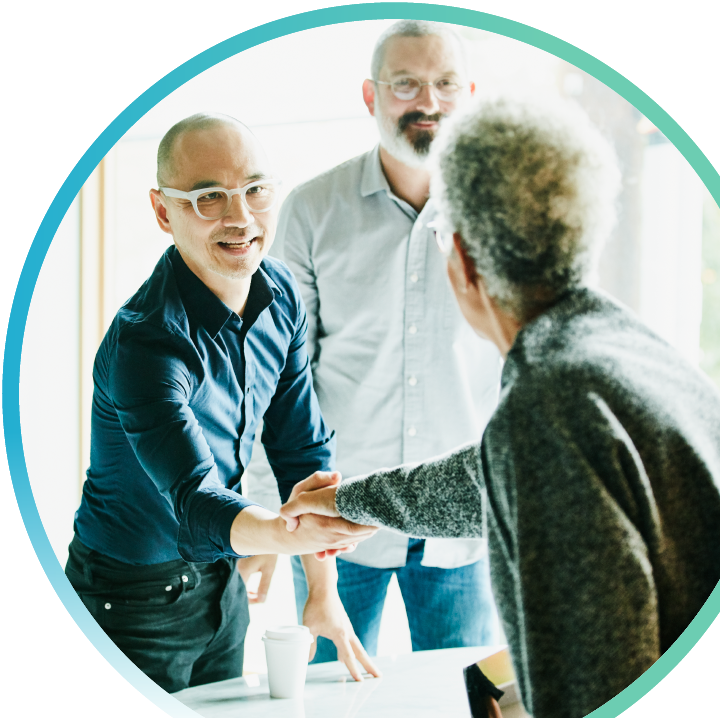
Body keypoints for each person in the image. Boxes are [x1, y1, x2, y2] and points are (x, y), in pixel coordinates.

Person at [279, 98, 720, 717]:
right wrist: (347, 501)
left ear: (465, 262)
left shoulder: (549, 409)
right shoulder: (618, 349)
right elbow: (485, 480)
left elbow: (595, 687)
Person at [64, 113, 379, 694]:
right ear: (164, 211)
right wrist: (288, 536)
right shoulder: (147, 343)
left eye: (255, 190)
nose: (240, 218)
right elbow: (195, 501)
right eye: (209, 198)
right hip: (126, 600)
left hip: (222, 581)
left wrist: (323, 589)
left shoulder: (280, 293)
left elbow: (301, 450)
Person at [244, 20, 502, 661]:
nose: (428, 101)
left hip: (464, 524)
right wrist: (258, 516)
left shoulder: (502, 212)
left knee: (466, 696)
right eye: (406, 84)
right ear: (371, 96)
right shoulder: (311, 210)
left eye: (445, 84)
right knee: (331, 695)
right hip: (335, 517)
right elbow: (274, 376)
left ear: (468, 92)